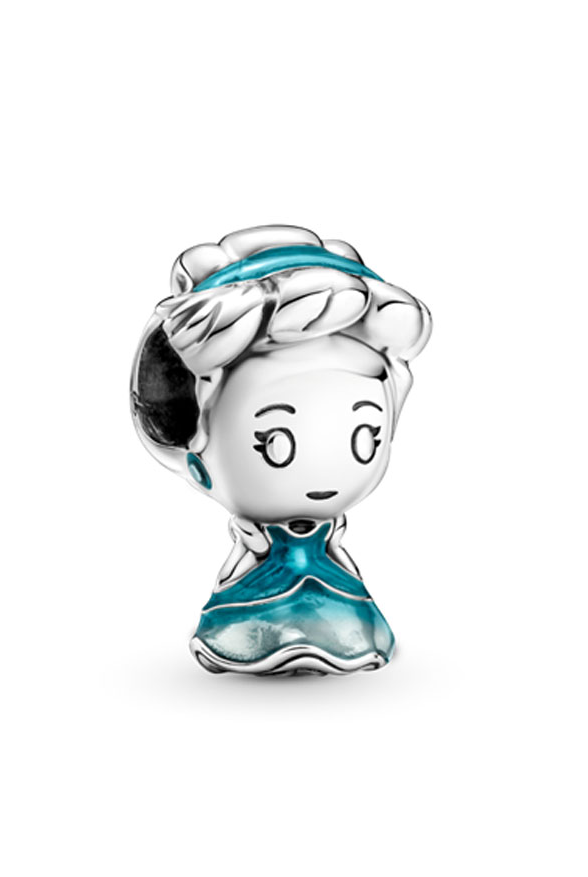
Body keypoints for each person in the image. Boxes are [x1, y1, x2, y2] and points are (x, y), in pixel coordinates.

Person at [131, 225, 431, 674]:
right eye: (275, 444)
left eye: (364, 438)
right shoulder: (251, 530)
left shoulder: (329, 532)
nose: (324, 477)